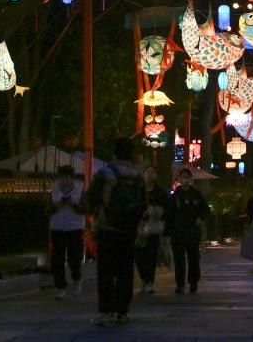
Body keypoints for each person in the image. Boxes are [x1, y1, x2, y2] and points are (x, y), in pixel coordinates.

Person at [86, 137, 144, 326]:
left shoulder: (105, 173)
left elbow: (90, 199)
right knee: (125, 271)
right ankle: (122, 311)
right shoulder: (138, 176)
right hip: (129, 230)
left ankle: (106, 311)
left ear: (114, 151)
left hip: (107, 227)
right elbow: (144, 204)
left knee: (106, 271)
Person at [166, 167, 209, 294]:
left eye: (187, 177)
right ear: (179, 179)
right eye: (182, 177)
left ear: (190, 179)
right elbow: (169, 214)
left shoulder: (197, 194)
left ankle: (193, 281)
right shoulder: (175, 196)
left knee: (193, 257)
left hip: (193, 231)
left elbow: (205, 209)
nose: (185, 180)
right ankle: (180, 284)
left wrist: (201, 219)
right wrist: (168, 231)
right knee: (179, 259)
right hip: (178, 231)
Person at [48, 165, 85, 300]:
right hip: (57, 226)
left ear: (72, 177)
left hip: (75, 226)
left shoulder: (79, 189)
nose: (65, 180)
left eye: (68, 177)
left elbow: (85, 208)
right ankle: (60, 286)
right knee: (57, 258)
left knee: (74, 257)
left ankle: (77, 279)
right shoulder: (54, 189)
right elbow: (47, 209)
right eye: (63, 176)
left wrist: (73, 204)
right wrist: (56, 206)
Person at [134, 166, 169, 294]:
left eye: (152, 172)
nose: (150, 174)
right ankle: (144, 278)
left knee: (151, 255)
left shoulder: (160, 192)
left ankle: (149, 282)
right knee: (138, 255)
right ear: (143, 175)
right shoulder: (137, 191)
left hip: (154, 228)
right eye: (147, 172)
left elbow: (167, 207)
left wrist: (159, 212)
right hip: (139, 227)